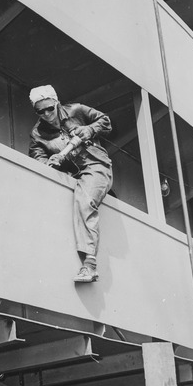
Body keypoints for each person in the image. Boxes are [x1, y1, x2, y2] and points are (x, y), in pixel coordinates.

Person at [28, 85, 113, 283]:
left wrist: (89, 129)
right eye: (40, 111)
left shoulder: (76, 110)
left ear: (56, 102)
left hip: (95, 166)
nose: (46, 114)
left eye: (49, 108)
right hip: (70, 177)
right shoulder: (37, 134)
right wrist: (51, 163)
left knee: (84, 201)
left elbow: (105, 121)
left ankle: (90, 264)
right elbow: (37, 159)